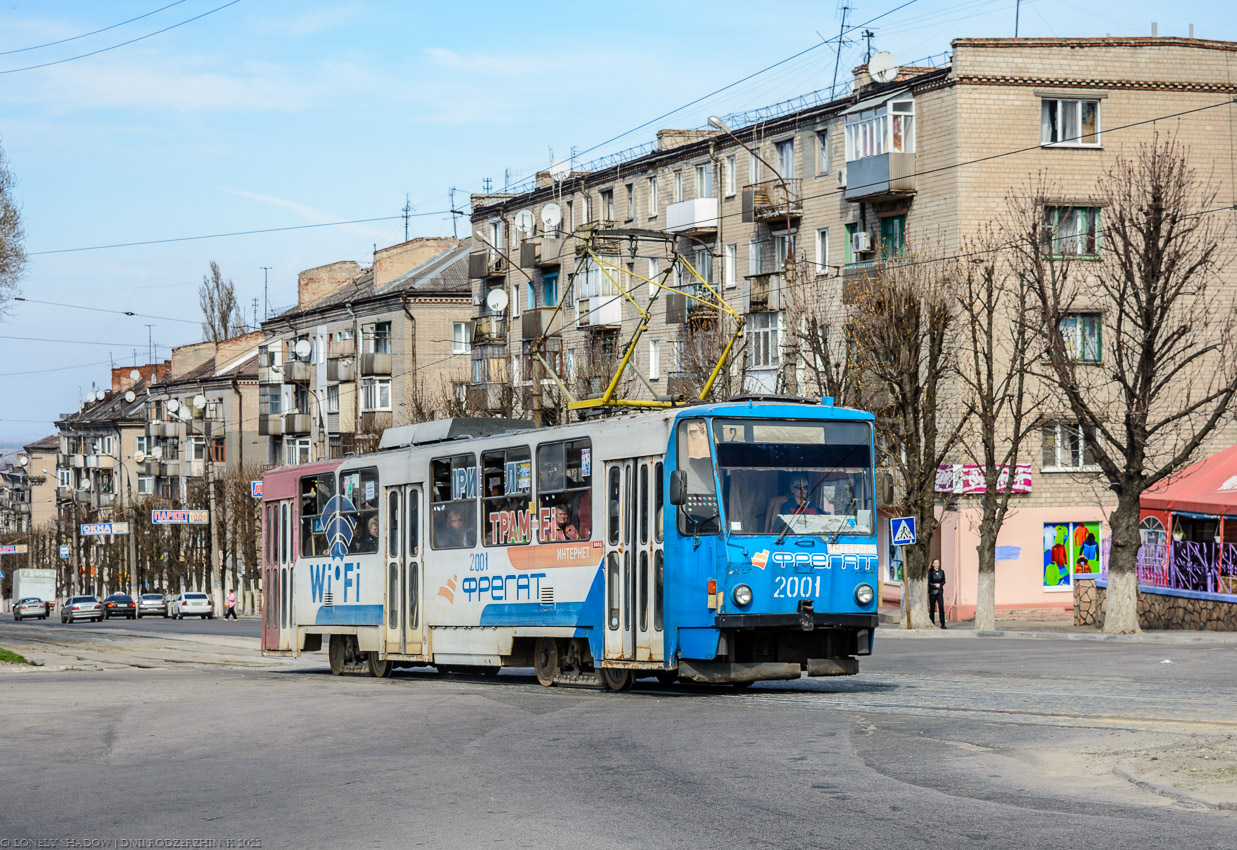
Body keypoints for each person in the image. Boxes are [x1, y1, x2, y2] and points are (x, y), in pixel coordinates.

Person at [764, 476, 832, 533]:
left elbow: (817, 522)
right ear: (793, 490)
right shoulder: (787, 505)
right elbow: (787, 525)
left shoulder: (812, 505)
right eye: (800, 487)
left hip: (812, 536)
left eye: (805, 487)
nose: (803, 490)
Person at [928, 558, 947, 628]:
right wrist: (934, 585)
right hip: (932, 592)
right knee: (932, 608)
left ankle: (943, 624)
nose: (937, 564)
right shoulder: (930, 572)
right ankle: (932, 623)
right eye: (935, 563)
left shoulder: (942, 572)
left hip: (939, 592)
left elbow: (944, 581)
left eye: (938, 563)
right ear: (933, 564)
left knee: (941, 607)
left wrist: (940, 585)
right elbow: (928, 582)